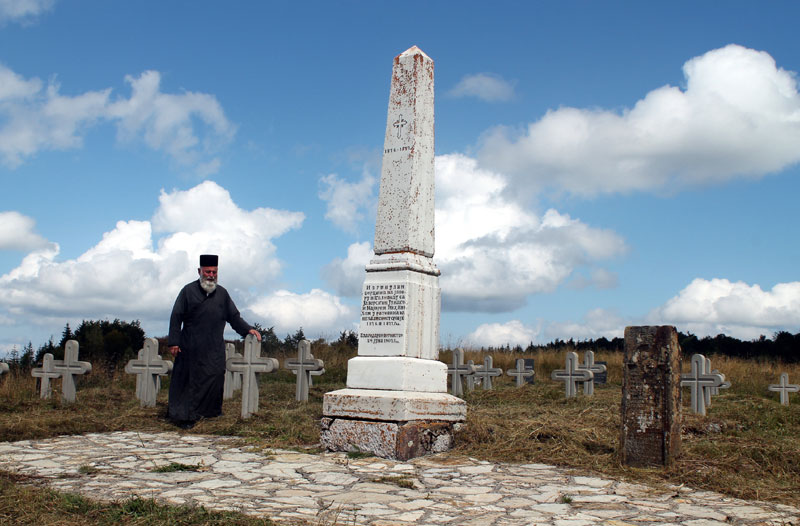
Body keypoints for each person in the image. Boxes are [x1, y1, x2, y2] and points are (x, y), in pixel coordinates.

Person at [167, 254, 261, 429]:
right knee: (190, 382)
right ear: (199, 271)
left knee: (215, 377)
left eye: (214, 272)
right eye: (207, 271)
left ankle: (210, 413)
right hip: (190, 346)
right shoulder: (188, 291)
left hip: (214, 347)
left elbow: (234, 317)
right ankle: (186, 417)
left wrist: (248, 329)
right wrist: (174, 341)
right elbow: (176, 316)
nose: (211, 275)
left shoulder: (222, 294)